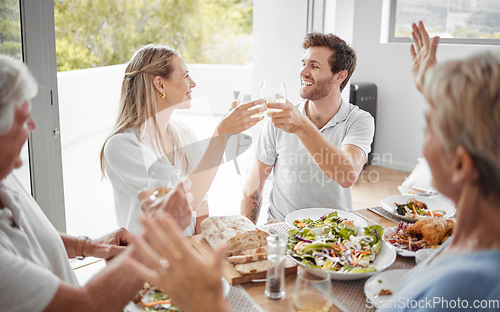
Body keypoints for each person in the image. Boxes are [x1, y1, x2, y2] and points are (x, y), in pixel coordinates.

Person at [0, 54, 196, 311]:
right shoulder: (124, 144)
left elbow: (32, 234)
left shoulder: (6, 180)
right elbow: (82, 305)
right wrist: (155, 239)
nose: (33, 125)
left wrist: (88, 246)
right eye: (23, 117)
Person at [378, 22, 500, 311]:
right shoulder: (475, 236)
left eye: (428, 130)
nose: (424, 143)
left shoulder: (459, 290)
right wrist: (434, 90)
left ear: (460, 164)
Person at [101, 44, 266, 234]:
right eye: (186, 75)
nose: (193, 83)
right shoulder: (122, 147)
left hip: (184, 256)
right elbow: (181, 206)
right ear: (160, 84)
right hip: (148, 259)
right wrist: (222, 135)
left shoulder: (183, 134)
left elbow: (201, 201)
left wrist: (202, 247)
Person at [241, 33, 375, 223]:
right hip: (281, 228)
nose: (303, 72)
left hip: (333, 232)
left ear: (340, 76)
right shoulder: (279, 120)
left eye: (314, 66)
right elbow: (253, 186)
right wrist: (246, 235)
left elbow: (347, 174)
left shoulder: (359, 120)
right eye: (303, 63)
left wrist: (301, 126)